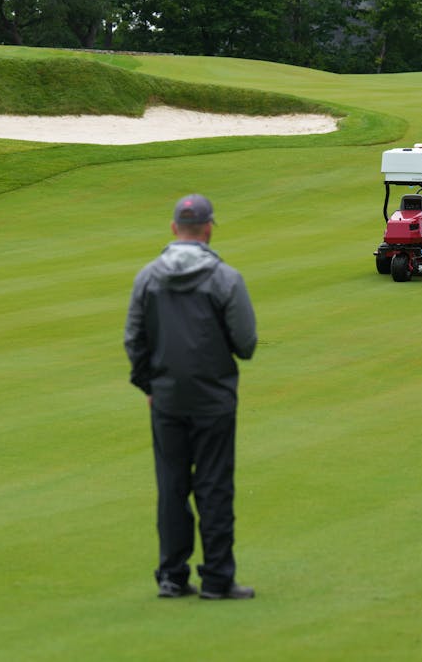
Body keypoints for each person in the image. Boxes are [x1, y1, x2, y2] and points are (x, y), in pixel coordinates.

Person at [124, 194, 258, 600]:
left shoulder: (147, 277)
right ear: (208, 228)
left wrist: (150, 386)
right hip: (214, 398)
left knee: (172, 487)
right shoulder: (225, 279)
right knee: (214, 487)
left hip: (166, 398)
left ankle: (171, 576)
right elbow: (246, 344)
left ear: (173, 229)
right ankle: (216, 580)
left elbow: (134, 340)